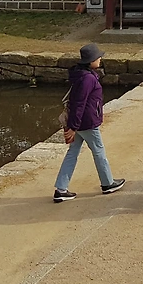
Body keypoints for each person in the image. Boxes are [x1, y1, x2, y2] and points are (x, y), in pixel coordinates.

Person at [54, 43, 126, 203]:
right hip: (86, 123)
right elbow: (79, 103)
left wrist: (73, 125)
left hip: (80, 122)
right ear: (90, 60)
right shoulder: (87, 78)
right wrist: (73, 126)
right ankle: (107, 183)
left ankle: (61, 189)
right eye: (97, 57)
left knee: (73, 153)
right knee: (98, 150)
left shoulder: (81, 75)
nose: (100, 59)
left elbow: (77, 102)